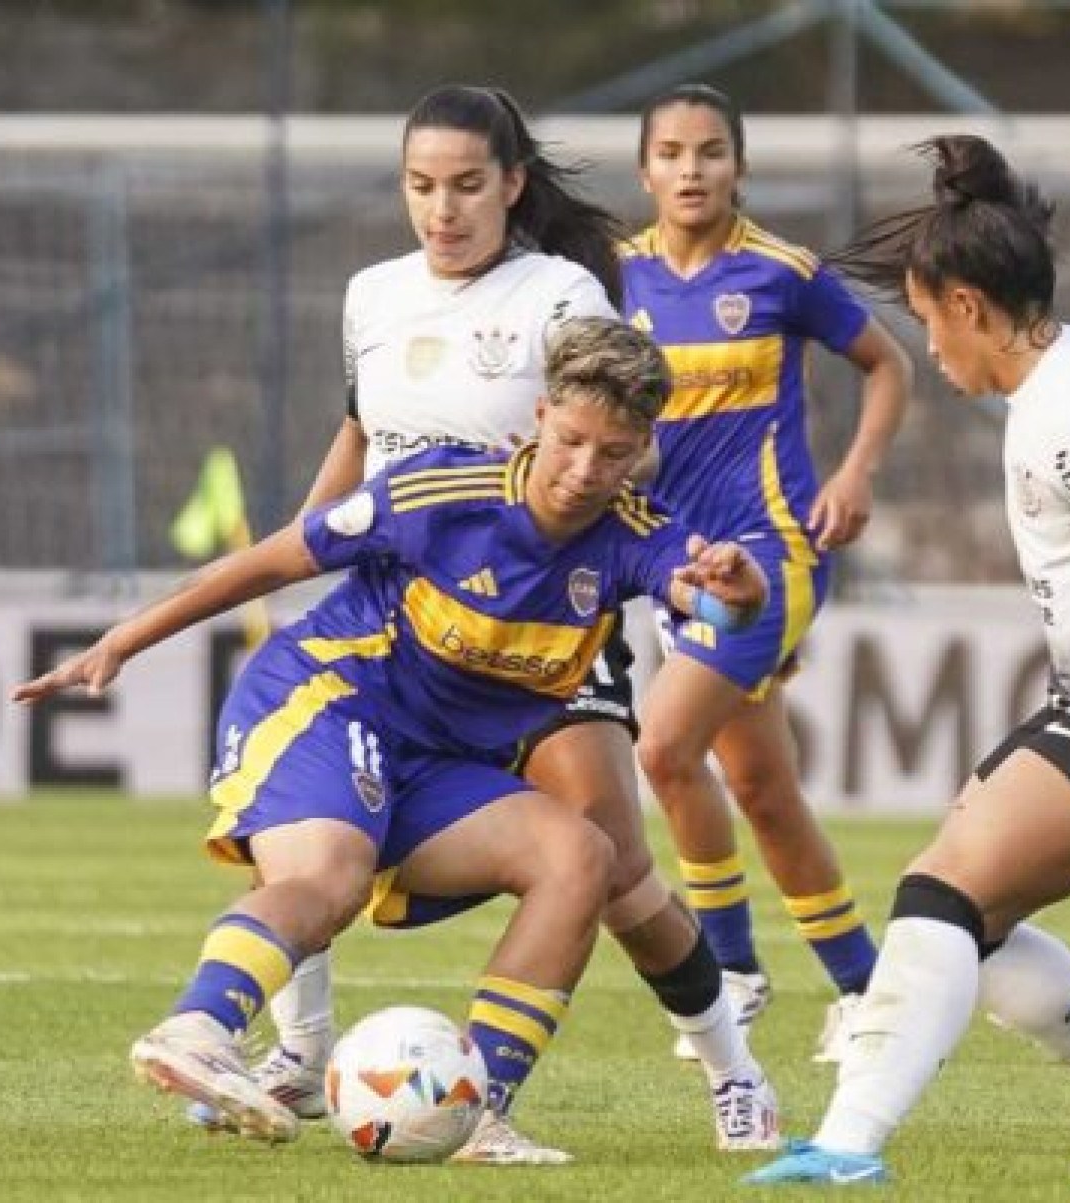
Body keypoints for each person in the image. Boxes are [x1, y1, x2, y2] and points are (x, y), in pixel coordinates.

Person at [12, 319, 773, 1160]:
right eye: (572, 440)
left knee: (582, 858)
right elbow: (272, 563)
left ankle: (476, 1110)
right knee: (328, 879)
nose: (585, 470)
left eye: (614, 452)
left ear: (641, 450)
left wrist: (738, 593)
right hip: (330, 700)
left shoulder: (633, 533)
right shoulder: (437, 493)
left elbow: (706, 596)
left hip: (443, 764)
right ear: (540, 414)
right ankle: (198, 1027)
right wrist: (125, 637)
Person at [241, 85, 781, 1159]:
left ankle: (733, 1068)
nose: (443, 210)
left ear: (513, 186)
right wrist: (304, 549)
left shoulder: (563, 293)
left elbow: (625, 432)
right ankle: (302, 1056)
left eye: (467, 186)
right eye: (422, 187)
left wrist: (632, 539)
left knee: (616, 872)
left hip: (543, 631)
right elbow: (361, 436)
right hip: (401, 625)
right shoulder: (374, 296)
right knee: (305, 808)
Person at [745, 134, 1070, 1187]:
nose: (931, 351)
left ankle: (846, 1151)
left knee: (938, 900)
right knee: (959, 920)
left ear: (971, 306)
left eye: (931, 322)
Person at [620, 84, 913, 1061]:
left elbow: (889, 365)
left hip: (775, 555)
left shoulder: (782, 272)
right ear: (645, 170)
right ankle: (868, 992)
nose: (691, 170)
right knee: (765, 792)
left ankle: (732, 971)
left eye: (710, 151)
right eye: (671, 152)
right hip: (679, 568)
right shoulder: (615, 278)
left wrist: (857, 471)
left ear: (738, 166)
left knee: (662, 750)